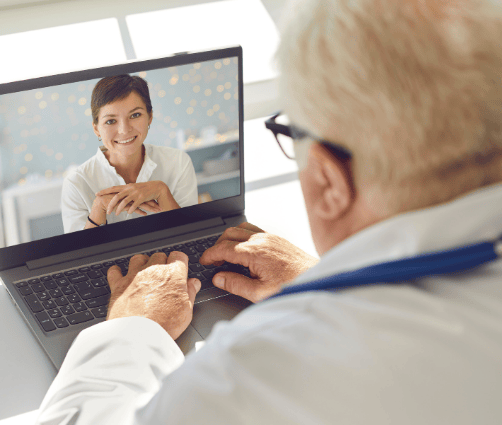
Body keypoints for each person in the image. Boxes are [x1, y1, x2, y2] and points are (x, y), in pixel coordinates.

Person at [38, 0, 502, 423]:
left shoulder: (247, 381)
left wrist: (133, 329)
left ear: (328, 182)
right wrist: (320, 282)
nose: (124, 128)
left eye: (291, 133)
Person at [61, 74, 198, 233]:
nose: (124, 130)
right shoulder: (76, 183)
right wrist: (97, 210)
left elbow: (191, 235)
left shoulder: (178, 162)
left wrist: (162, 191)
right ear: (96, 128)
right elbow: (79, 255)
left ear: (150, 117)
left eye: (135, 115)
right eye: (111, 121)